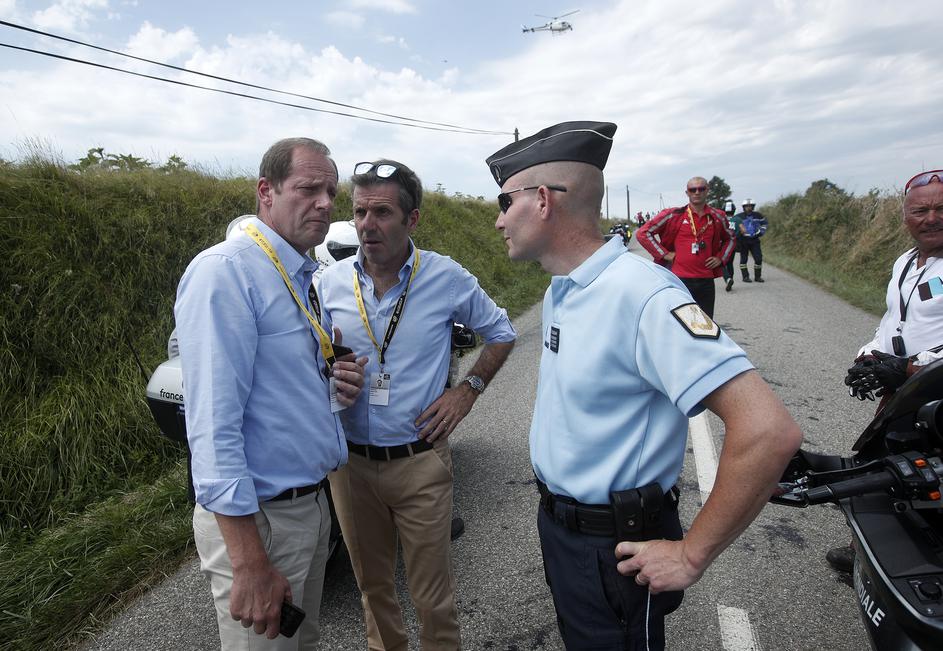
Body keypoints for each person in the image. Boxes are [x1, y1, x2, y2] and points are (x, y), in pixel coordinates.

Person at [488, 121, 803, 650]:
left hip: (615, 544)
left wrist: (691, 554)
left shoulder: (643, 294)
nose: (499, 219)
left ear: (542, 200)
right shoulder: (564, 289)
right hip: (562, 528)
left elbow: (768, 431)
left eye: (505, 201)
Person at [174, 137, 367, 650]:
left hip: (309, 508)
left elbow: (278, 389)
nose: (325, 203)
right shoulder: (227, 272)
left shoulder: (302, 274)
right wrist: (248, 561)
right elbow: (212, 425)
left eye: (331, 191)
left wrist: (333, 385)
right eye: (308, 189)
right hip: (263, 521)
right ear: (266, 191)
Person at [318, 159, 516, 650]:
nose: (367, 225)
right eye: (360, 212)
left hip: (420, 460)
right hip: (350, 465)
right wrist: (328, 375)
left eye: (382, 213)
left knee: (432, 596)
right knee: (372, 589)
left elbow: (501, 332)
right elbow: (308, 358)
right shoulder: (329, 283)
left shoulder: (445, 277)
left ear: (412, 219)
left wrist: (466, 391)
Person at [828, 168, 943, 573]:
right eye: (921, 211)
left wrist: (911, 366)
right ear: (906, 217)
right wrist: (870, 356)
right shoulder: (905, 262)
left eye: (941, 209)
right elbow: (893, 322)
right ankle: (870, 557)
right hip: (904, 390)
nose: (932, 218)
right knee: (882, 467)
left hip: (934, 391)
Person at [636, 177, 735, 318]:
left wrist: (720, 258)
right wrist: (664, 254)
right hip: (678, 280)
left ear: (707, 191)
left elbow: (730, 238)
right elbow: (643, 233)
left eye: (701, 189)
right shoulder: (673, 215)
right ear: (687, 192)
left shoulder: (718, 216)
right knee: (679, 324)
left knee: (706, 324)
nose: (697, 192)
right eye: (693, 189)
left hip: (706, 281)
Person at [734, 198, 768, 283]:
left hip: (755, 240)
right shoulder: (738, 216)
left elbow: (764, 223)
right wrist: (737, 236)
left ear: (753, 207)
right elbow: (733, 226)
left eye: (750, 206)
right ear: (744, 207)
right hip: (743, 241)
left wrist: (761, 231)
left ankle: (758, 277)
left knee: (758, 258)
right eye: (747, 206)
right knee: (743, 260)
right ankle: (745, 277)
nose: (748, 208)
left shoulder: (758, 215)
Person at [721, 199, 738, 292]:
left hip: (722, 245)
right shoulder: (737, 219)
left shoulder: (721, 219)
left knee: (721, 264)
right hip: (732, 245)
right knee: (730, 263)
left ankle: (727, 279)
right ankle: (730, 278)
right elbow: (743, 231)